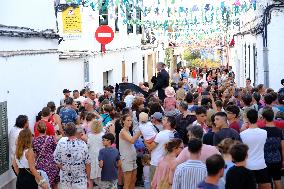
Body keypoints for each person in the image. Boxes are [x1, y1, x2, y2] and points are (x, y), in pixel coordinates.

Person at [54, 122, 91, 189]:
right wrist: (88, 178)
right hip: (80, 180)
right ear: (75, 131)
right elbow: (87, 163)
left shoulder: (61, 142)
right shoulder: (82, 144)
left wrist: (63, 168)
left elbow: (56, 159)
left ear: (65, 132)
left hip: (65, 180)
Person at [240, 109, 270, 189]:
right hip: (261, 164)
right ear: (257, 118)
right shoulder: (264, 132)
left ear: (247, 119)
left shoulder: (242, 134)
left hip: (247, 166)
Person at [147, 116, 177, 183]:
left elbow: (150, 147)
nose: (162, 120)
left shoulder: (161, 134)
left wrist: (145, 139)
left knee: (154, 184)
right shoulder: (173, 134)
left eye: (164, 120)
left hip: (156, 162)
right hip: (167, 164)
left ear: (168, 123)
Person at [261, 108, 284, 189]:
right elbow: (282, 147)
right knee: (277, 180)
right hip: (277, 158)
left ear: (264, 118)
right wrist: (283, 160)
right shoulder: (279, 131)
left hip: (265, 159)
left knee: (267, 182)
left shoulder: (262, 131)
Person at [33, 121, 59, 189]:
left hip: (40, 166)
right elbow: (55, 150)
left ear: (37, 129)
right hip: (51, 164)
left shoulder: (34, 141)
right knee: (54, 184)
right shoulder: (51, 139)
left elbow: (34, 154)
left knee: (44, 185)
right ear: (46, 128)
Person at [119, 115, 141, 189]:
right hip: (127, 159)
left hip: (132, 158)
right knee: (127, 183)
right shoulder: (123, 131)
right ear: (123, 121)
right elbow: (132, 141)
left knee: (133, 181)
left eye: (130, 120)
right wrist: (140, 130)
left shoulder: (128, 131)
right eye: (128, 120)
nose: (130, 122)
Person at [87, 120, 105, 189]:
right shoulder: (102, 135)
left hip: (92, 157)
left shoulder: (90, 136)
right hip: (100, 157)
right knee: (101, 178)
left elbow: (88, 145)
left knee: (90, 178)